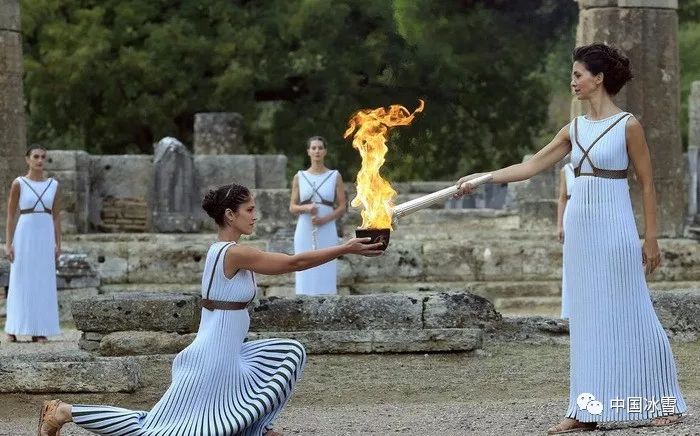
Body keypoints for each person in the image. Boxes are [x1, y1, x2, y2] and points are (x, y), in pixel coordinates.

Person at [455, 43, 686, 433]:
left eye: (579, 75)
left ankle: (667, 401)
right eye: (573, 75)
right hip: (581, 230)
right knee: (586, 318)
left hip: (615, 228)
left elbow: (648, 186)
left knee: (635, 312)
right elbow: (531, 166)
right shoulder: (573, 129)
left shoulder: (628, 125)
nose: (573, 81)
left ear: (599, 79)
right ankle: (584, 408)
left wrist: (651, 239)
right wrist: (483, 177)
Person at [36, 183, 382, 436]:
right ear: (230, 215)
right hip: (212, 358)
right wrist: (344, 248)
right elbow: (293, 262)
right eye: (249, 210)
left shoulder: (230, 251)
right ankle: (63, 411)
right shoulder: (232, 252)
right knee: (156, 429)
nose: (255, 216)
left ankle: (255, 430)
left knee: (289, 352)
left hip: (228, 355)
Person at [4, 145, 62, 343]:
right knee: (20, 279)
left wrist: (58, 243)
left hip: (44, 237)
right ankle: (12, 328)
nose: (39, 160)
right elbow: (11, 215)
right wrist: (8, 244)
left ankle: (39, 330)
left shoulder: (53, 185)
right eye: (36, 157)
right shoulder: (19, 183)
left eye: (43, 157)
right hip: (24, 235)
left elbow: (56, 217)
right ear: (27, 159)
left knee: (42, 281)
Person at [289, 136, 347, 295]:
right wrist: (306, 207)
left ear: (325, 151)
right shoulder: (299, 176)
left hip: (327, 228)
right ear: (308, 151)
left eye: (320, 148)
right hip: (305, 228)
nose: (317, 151)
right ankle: (303, 301)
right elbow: (292, 207)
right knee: (303, 265)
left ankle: (327, 301)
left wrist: (324, 220)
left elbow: (342, 207)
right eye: (313, 148)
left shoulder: (335, 176)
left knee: (327, 265)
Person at [556, 161, 575, 320]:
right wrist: (559, 225)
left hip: (591, 212)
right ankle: (569, 311)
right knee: (570, 262)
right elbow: (562, 198)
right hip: (571, 213)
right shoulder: (566, 170)